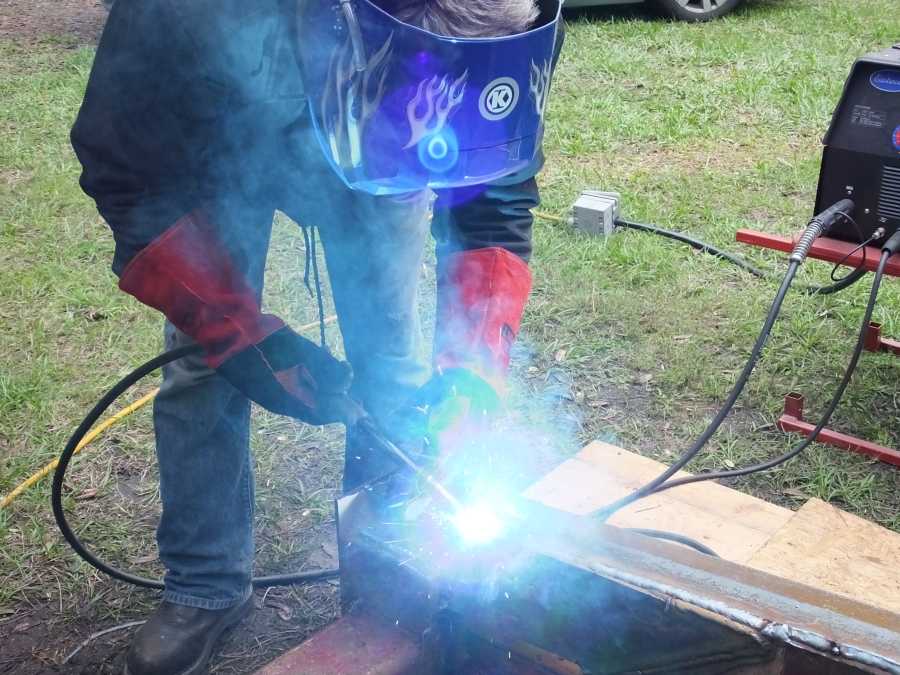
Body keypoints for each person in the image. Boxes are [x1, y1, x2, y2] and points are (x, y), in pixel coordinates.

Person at [70, 1, 563, 673]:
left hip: (378, 151)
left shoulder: (516, 25)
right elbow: (120, 167)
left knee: (389, 361)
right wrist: (237, 334)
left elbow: (495, 193)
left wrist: (474, 364)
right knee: (202, 371)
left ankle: (388, 574)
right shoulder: (185, 14)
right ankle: (205, 584)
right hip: (216, 138)